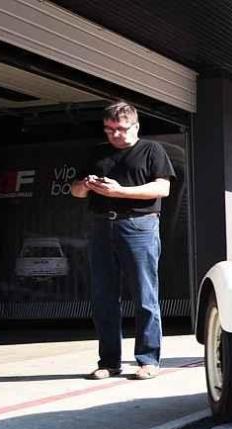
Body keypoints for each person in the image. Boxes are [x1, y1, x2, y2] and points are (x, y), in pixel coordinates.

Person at [70, 101, 175, 380]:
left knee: (144, 294)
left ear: (135, 126)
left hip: (139, 226)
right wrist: (86, 185)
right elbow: (76, 192)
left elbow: (162, 188)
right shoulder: (97, 153)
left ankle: (148, 360)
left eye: (120, 129)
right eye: (109, 129)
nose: (114, 135)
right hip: (101, 227)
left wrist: (120, 192)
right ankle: (109, 361)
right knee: (104, 297)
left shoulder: (152, 150)